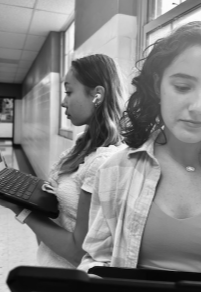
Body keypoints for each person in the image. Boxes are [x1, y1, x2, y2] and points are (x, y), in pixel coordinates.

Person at [78, 21, 201, 273]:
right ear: (157, 85)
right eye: (182, 87)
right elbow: (96, 260)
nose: (198, 107)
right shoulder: (116, 170)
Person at [0, 54, 127, 268]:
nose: (62, 101)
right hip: (48, 266)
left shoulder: (103, 162)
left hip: (67, 280)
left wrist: (20, 209)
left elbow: (80, 253)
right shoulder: (82, 143)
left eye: (69, 92)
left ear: (97, 95)